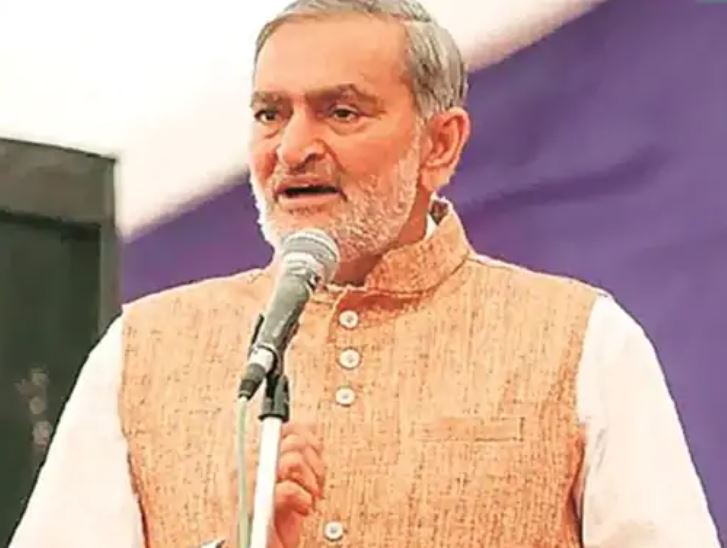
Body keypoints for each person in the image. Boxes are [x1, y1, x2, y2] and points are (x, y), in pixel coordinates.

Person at [10, 1, 721, 547]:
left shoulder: (581, 342)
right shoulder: (145, 350)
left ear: (439, 145)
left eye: (341, 111)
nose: (292, 147)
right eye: (270, 113)